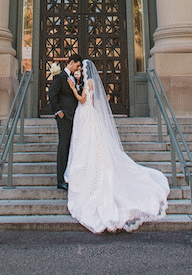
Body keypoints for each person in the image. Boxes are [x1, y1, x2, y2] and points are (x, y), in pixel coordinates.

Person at [63, 59, 169, 233]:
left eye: (81, 68)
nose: (80, 70)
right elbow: (96, 101)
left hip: (86, 115)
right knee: (89, 146)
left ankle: (88, 177)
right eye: (79, 68)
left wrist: (74, 89)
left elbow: (82, 100)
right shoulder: (91, 83)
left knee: (87, 146)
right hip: (89, 116)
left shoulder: (87, 83)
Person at [48, 53, 83, 191]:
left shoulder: (73, 78)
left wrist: (78, 83)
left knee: (69, 145)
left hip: (73, 116)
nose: (78, 68)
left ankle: (68, 176)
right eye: (78, 65)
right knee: (63, 146)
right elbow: (52, 94)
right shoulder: (60, 77)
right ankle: (60, 179)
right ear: (72, 62)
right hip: (64, 117)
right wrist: (58, 112)